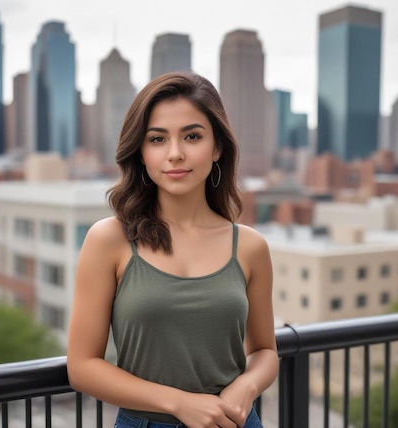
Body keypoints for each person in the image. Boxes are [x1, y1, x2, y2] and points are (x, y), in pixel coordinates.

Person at [67, 71, 278, 428]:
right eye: (158, 139)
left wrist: (246, 386)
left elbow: (265, 351)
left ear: (217, 147)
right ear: (142, 152)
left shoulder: (250, 246)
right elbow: (82, 366)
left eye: (192, 136)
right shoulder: (109, 240)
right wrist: (180, 404)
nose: (175, 153)